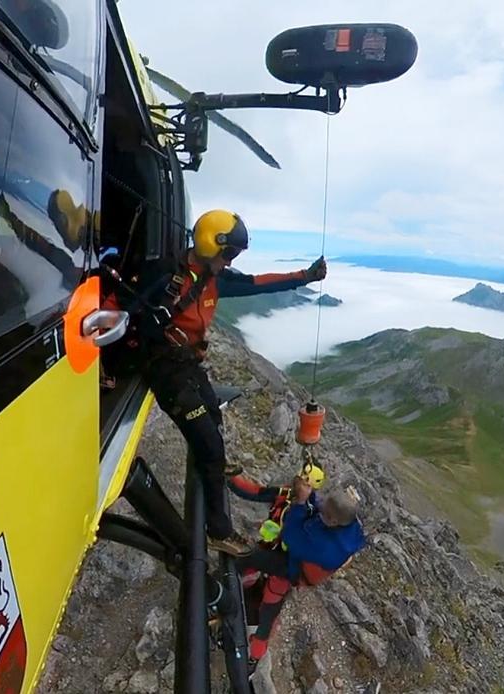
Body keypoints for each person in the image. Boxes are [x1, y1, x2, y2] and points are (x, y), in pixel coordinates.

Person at [140, 209, 326, 555]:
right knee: (209, 449)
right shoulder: (166, 276)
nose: (229, 263)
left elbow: (257, 283)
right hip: (163, 369)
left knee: (214, 412)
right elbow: (122, 306)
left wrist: (306, 276)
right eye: (229, 255)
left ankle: (216, 463)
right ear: (211, 245)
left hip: (188, 363)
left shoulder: (215, 277)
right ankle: (219, 530)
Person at [235, 483, 365, 665]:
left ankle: (253, 658)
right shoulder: (343, 522)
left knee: (254, 564)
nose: (320, 510)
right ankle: (255, 654)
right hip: (297, 558)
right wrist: (309, 494)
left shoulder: (329, 548)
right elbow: (320, 505)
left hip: (293, 568)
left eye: (324, 512)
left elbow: (291, 537)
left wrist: (300, 503)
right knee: (269, 602)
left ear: (333, 521)